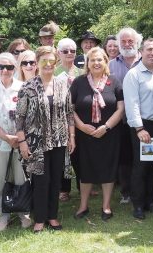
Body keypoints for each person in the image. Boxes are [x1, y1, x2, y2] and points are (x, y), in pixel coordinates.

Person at [16, 46, 75, 233]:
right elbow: (19, 118)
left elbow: (69, 113)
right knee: (41, 180)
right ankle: (40, 219)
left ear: (56, 62)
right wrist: (22, 142)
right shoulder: (28, 87)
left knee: (56, 180)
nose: (48, 64)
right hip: (36, 142)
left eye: (51, 61)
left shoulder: (63, 84)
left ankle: (52, 216)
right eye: (44, 61)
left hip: (59, 140)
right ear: (37, 63)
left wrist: (72, 137)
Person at [72, 47, 125, 221]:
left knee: (108, 169)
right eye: (92, 60)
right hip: (84, 135)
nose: (96, 63)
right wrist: (81, 126)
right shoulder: (78, 82)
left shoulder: (114, 81)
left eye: (99, 60)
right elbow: (70, 108)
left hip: (109, 134)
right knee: (85, 170)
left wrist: (106, 127)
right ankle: (83, 206)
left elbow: (121, 108)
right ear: (87, 63)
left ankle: (106, 206)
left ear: (105, 62)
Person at [0, 53, 32, 231]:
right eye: (1, 66)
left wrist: (19, 138)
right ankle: (4, 215)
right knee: (1, 179)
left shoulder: (22, 87)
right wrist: (5, 137)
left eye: (9, 67)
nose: (5, 70)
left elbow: (29, 115)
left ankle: (23, 212)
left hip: (20, 141)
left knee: (20, 178)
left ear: (15, 69)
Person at [124, 38, 153, 219]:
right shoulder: (134, 74)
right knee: (141, 167)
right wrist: (140, 129)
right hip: (143, 127)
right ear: (141, 52)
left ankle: (150, 202)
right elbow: (131, 103)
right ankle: (138, 205)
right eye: (149, 49)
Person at [110, 27, 142, 204]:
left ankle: (144, 190)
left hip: (143, 120)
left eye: (131, 41)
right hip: (120, 120)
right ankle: (126, 192)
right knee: (124, 157)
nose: (127, 44)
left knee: (144, 155)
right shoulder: (111, 65)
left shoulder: (147, 61)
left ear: (137, 42)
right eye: (123, 41)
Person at [55, 37, 82, 202]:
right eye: (65, 51)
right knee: (63, 155)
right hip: (59, 119)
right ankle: (63, 188)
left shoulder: (82, 72)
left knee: (80, 154)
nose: (69, 53)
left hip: (80, 118)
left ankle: (82, 185)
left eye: (72, 50)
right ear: (59, 53)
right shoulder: (53, 71)